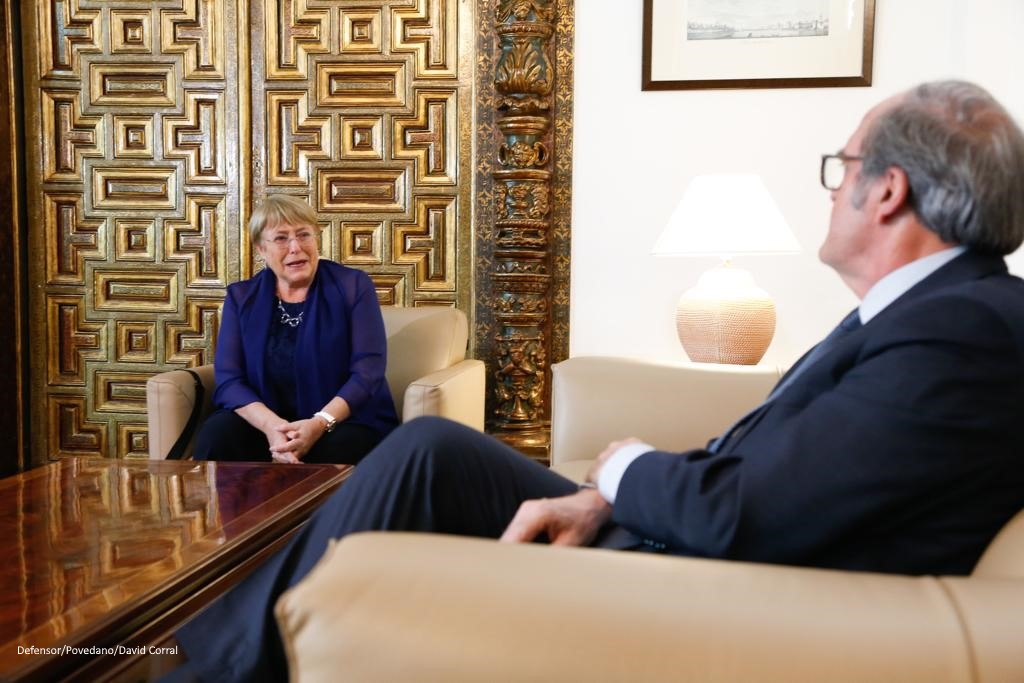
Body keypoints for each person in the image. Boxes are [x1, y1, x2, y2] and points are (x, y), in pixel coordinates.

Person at [173, 80, 1024, 680]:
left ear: (888, 193)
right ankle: (230, 646)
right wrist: (610, 491)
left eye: (842, 169)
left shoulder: (962, 332)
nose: (832, 192)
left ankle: (208, 665)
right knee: (433, 449)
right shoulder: (931, 313)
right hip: (659, 527)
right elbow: (798, 464)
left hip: (685, 569)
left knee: (420, 449)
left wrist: (621, 471)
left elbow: (753, 509)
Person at [192, 194, 399, 464]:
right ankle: (229, 509)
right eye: (281, 238)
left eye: (304, 235)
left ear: (316, 239)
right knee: (218, 435)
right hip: (268, 423)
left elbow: (367, 372)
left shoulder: (353, 286)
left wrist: (318, 424)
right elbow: (229, 380)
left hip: (340, 421)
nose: (295, 247)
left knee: (343, 447)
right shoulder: (242, 298)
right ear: (261, 249)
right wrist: (272, 427)